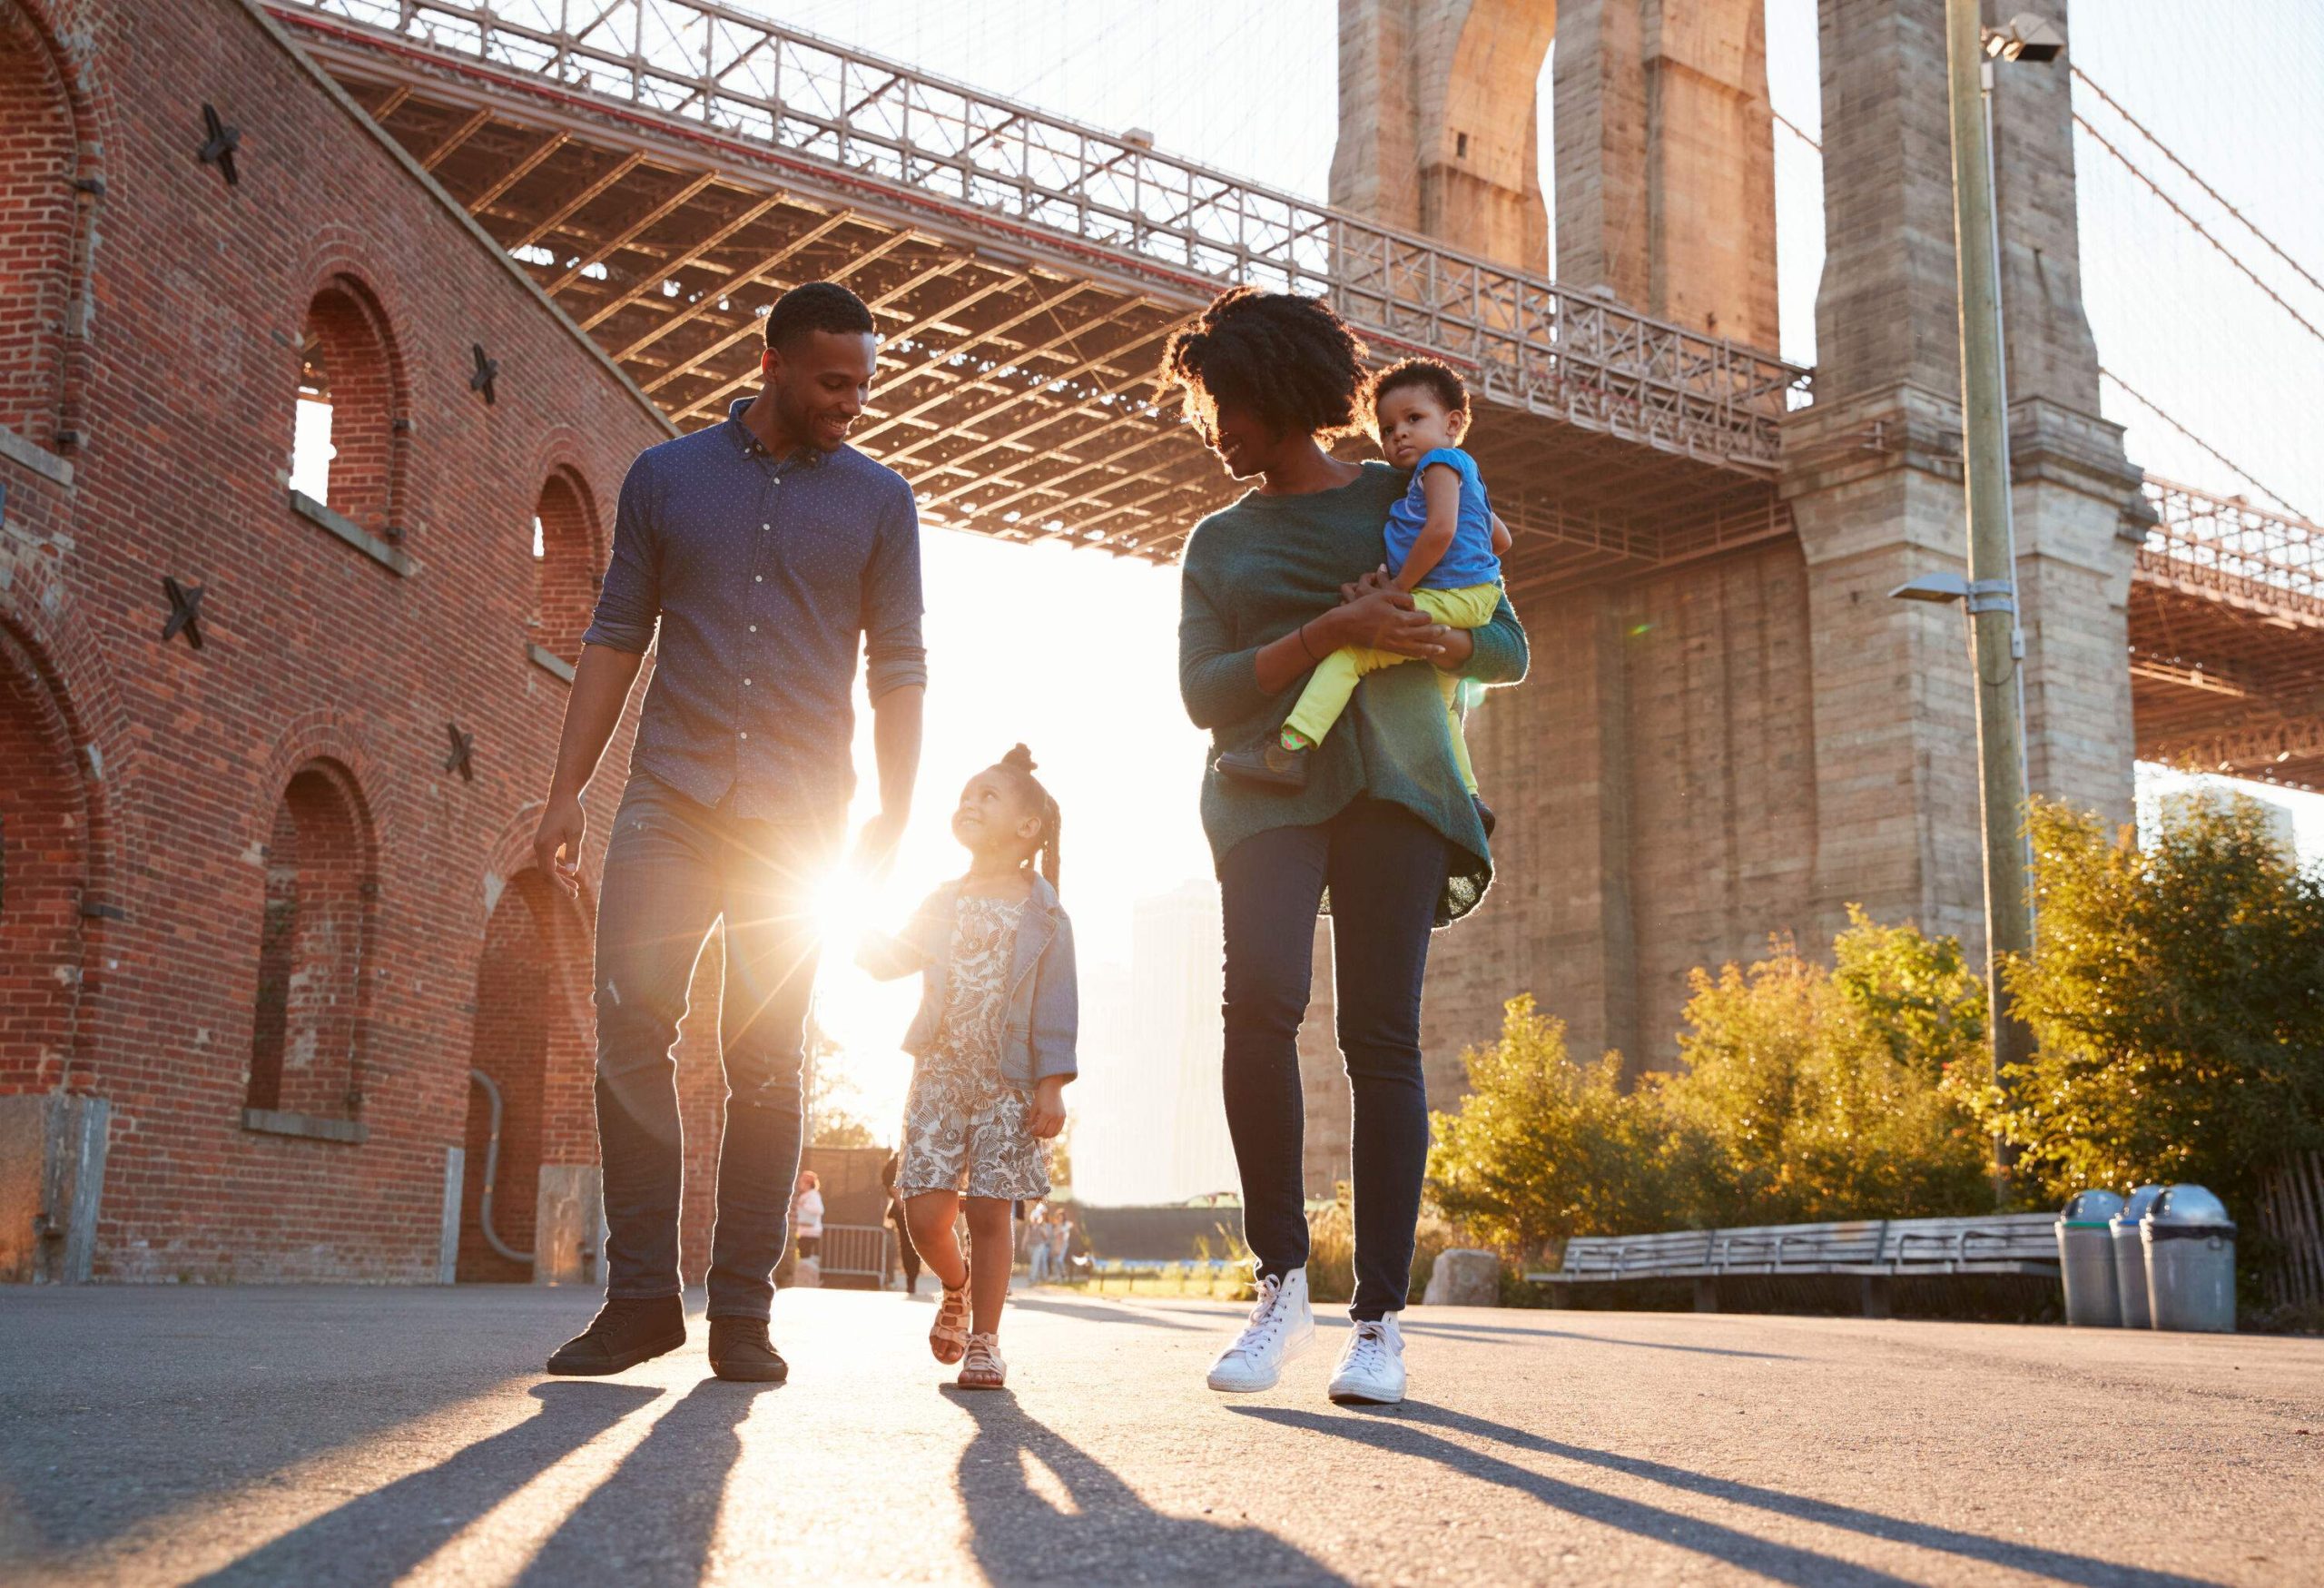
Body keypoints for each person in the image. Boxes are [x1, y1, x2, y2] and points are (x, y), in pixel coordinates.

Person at [534, 281, 926, 1384]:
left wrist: (895, 811)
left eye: (865, 381)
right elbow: (616, 635)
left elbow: (899, 665)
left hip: (798, 825)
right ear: (772, 364)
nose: (854, 400)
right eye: (833, 381)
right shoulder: (666, 478)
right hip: (668, 799)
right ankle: (642, 1302)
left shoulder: (880, 502)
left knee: (762, 1062)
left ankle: (743, 1316)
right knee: (630, 1032)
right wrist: (568, 788)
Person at [1168, 288, 1528, 1406]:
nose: (1210, 427)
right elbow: (1202, 694)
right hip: (1264, 793)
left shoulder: (1407, 487)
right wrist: (1331, 630)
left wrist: (1423, 630)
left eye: (1221, 404)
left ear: (1276, 393)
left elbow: (1504, 642)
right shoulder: (1217, 543)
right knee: (1259, 1004)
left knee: (1381, 1038)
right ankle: (1280, 1285)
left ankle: (1378, 1321)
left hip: (1395, 788)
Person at [858, 747, 1078, 1390]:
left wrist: (1051, 1084)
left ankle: (986, 1340)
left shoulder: (1046, 912)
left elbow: (1058, 1003)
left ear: (1027, 827)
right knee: (923, 1212)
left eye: (988, 795)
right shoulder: (942, 899)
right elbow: (889, 956)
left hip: (1010, 1083)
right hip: (940, 1076)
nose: (970, 803)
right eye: (966, 794)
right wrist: (855, 913)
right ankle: (954, 1286)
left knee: (989, 1212)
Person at [1216, 357, 1512, 814]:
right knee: (1442, 700)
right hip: (1475, 598)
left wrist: (1396, 591)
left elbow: (1438, 532)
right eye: (1388, 428)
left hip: (1451, 596)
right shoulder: (1461, 474)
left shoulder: (1439, 465)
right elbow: (1502, 539)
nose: (1399, 435)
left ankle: (1288, 750)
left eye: (1414, 419)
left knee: (1351, 654)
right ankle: (1470, 798)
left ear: (1453, 423)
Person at [881, 1149, 922, 1297]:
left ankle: (913, 1275)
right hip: (902, 1210)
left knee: (917, 1244)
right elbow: (887, 1179)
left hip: (920, 1208)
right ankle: (910, 1278)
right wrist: (897, 1195)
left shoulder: (924, 1154)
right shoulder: (898, 1159)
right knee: (906, 1243)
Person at [791, 1169, 825, 1268]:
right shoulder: (806, 1195)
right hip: (804, 1231)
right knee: (803, 1254)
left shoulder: (813, 1195)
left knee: (804, 1256)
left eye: (801, 1182)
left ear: (808, 1184)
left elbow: (819, 1209)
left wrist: (803, 1205)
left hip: (810, 1232)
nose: (799, 1185)